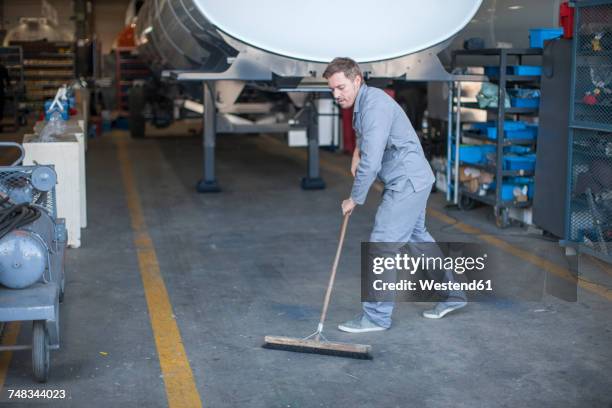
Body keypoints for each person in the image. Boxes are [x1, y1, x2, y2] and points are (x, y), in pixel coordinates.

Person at [323, 57, 467, 333]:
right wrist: (357, 151)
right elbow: (367, 137)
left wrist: (355, 198)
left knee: (382, 245)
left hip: (406, 182)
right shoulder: (366, 101)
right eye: (332, 89)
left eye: (340, 87)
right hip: (413, 178)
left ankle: (376, 317)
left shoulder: (374, 105)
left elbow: (373, 160)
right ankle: (453, 293)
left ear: (356, 81)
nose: (336, 94)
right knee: (417, 237)